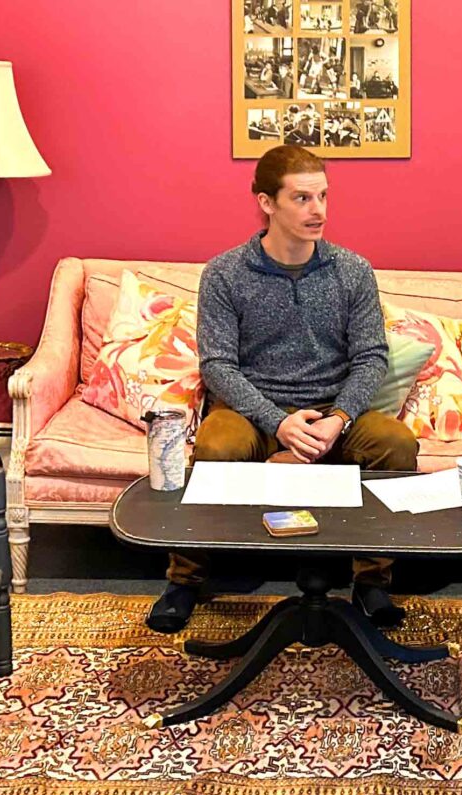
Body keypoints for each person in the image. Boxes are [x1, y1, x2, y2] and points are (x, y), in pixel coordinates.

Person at [146, 146, 417, 634]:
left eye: (323, 196)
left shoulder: (351, 270)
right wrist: (278, 422)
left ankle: (373, 580)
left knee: (396, 444)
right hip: (253, 411)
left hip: (332, 410)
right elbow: (218, 366)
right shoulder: (226, 273)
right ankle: (184, 580)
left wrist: (338, 419)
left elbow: (371, 356)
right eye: (302, 198)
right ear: (266, 202)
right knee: (216, 444)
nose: (319, 211)